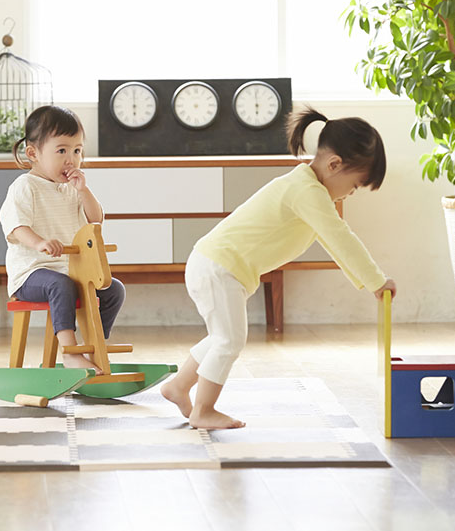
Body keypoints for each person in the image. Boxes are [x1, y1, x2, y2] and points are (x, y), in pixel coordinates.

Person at [161, 107, 397, 429]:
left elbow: (332, 242)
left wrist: (370, 282)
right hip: (219, 267)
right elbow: (341, 238)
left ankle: (178, 387)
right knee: (229, 341)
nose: (351, 194)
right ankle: (203, 409)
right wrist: (376, 281)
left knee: (222, 337)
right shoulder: (308, 193)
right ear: (334, 165)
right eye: (354, 185)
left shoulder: (306, 187)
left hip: (217, 266)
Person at [0, 105, 125, 373]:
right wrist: (39, 243)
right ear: (33, 153)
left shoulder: (72, 189)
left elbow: (95, 220)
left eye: (77, 151)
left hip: (69, 271)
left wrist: (84, 190)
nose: (71, 159)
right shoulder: (25, 186)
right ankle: (69, 352)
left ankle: (94, 347)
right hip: (32, 273)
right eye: (62, 151)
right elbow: (15, 226)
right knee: (61, 285)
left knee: (113, 289)